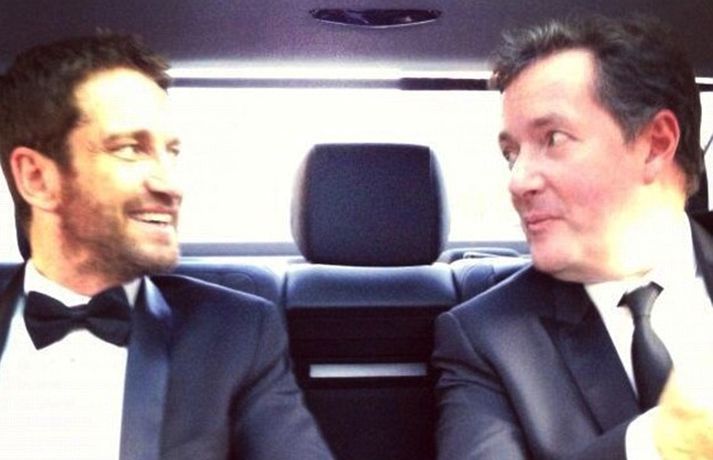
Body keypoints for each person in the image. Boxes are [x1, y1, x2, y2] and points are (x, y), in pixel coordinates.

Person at [0, 33, 333, 459]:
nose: (171, 185)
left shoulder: (237, 333)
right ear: (36, 178)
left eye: (171, 152)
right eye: (130, 149)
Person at [432, 14, 713, 460]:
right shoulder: (487, 337)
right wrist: (661, 441)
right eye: (511, 154)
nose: (517, 180)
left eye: (554, 139)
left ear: (656, 144)